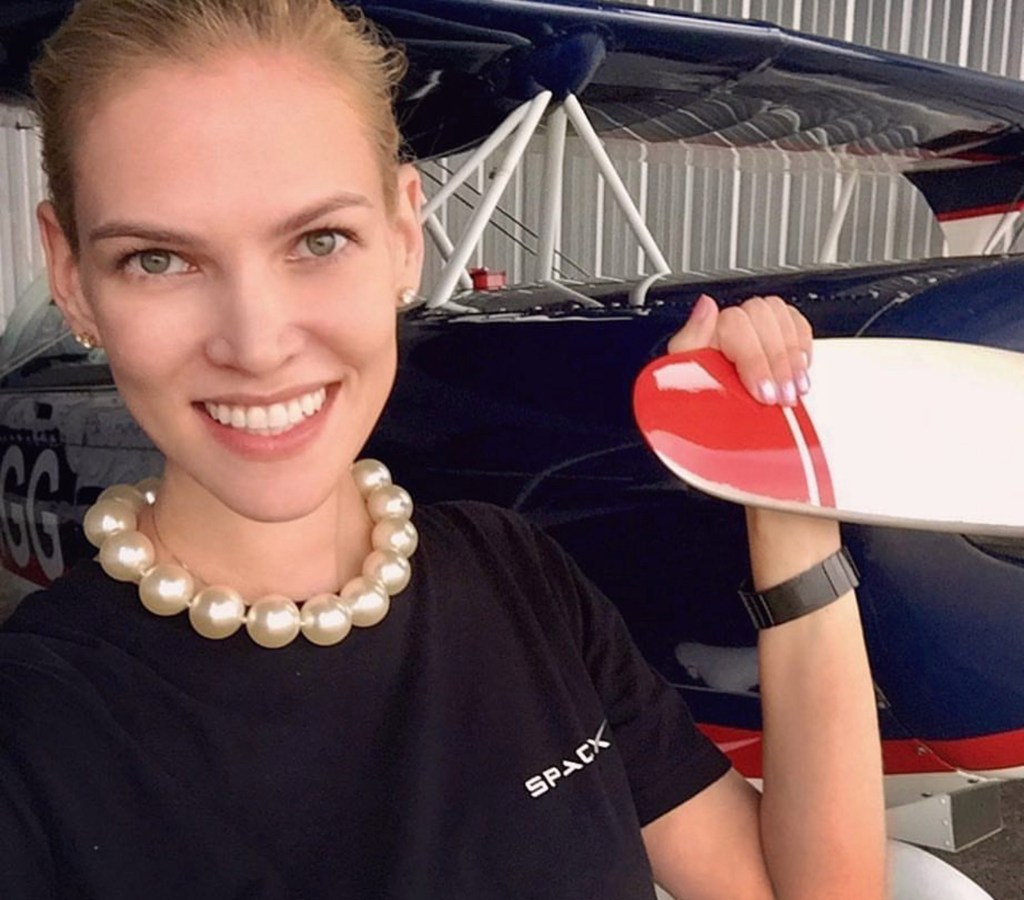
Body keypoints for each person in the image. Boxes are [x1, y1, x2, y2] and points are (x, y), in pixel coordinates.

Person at [0, 1, 885, 897]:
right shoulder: (33, 732)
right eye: (158, 259)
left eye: (319, 240)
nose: (256, 343)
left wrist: (787, 505)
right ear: (72, 279)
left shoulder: (516, 576)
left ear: (403, 237)